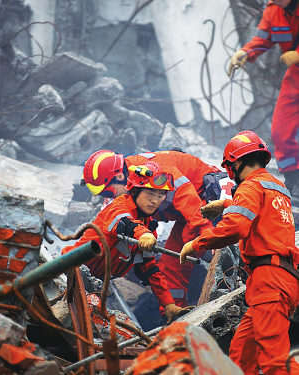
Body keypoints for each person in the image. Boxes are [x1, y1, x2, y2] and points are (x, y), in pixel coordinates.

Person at [180, 130, 299, 374]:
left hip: (269, 280)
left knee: (274, 362)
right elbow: (259, 208)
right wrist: (225, 204)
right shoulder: (277, 188)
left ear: (235, 163)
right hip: (279, 278)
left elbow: (234, 228)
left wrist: (195, 244)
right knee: (240, 357)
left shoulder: (249, 187)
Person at [81, 149, 235, 308]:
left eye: (106, 190)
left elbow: (192, 206)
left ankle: (235, 292)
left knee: (205, 249)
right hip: (189, 212)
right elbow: (109, 224)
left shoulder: (157, 172)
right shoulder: (126, 184)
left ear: (120, 177)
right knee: (169, 267)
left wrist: (210, 236)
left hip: (209, 202)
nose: (107, 196)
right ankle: (175, 315)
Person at [63, 161, 190, 324]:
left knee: (126, 329)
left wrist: (168, 304)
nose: (154, 200)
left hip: (99, 282)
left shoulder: (149, 226)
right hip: (69, 271)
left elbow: (149, 268)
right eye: (150, 193)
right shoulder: (119, 205)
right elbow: (123, 221)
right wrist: (142, 234)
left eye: (160, 196)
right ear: (136, 190)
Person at [227, 0, 299, 200]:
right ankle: (294, 179)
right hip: (296, 77)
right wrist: (244, 52)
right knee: (280, 131)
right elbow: (263, 38)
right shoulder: (273, 11)